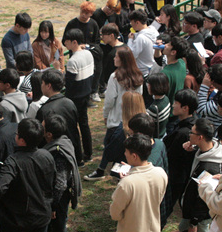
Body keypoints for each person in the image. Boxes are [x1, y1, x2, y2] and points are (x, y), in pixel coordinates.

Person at [176, 118, 222, 232]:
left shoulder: (209, 168)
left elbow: (203, 200)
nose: (189, 135)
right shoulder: (209, 148)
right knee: (184, 228)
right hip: (190, 207)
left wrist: (195, 222)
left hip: (201, 214)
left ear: (201, 137)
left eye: (192, 133)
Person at [85, 47, 143, 181]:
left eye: (116, 56)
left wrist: (105, 115)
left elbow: (109, 100)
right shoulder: (138, 76)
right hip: (132, 118)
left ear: (122, 60)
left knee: (109, 146)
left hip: (116, 119)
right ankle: (115, 172)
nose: (114, 58)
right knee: (125, 148)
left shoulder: (115, 77)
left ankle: (103, 170)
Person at [43, 115, 82, 232]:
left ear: (49, 134)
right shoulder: (65, 140)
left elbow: (59, 184)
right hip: (62, 192)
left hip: (59, 196)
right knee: (58, 225)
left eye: (43, 126)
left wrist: (52, 206)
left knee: (59, 225)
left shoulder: (57, 152)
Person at [36, 69, 83, 164]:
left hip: (54, 153)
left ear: (48, 86)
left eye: (42, 83)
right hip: (70, 148)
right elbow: (75, 130)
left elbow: (40, 136)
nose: (41, 86)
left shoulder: (45, 110)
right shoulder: (69, 103)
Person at [64, 28, 95, 162]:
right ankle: (88, 152)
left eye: (67, 41)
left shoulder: (72, 61)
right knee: (84, 124)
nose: (65, 43)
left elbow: (68, 84)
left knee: (73, 128)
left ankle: (78, 156)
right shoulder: (88, 54)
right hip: (86, 94)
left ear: (74, 42)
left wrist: (60, 71)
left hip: (74, 98)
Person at [163, 89, 198, 205]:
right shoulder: (191, 124)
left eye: (176, 103)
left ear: (185, 108)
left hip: (175, 177)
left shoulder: (184, 133)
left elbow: (172, 155)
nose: (173, 105)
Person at [64, 1, 103, 102]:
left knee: (92, 73)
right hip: (76, 54)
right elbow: (65, 40)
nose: (84, 15)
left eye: (87, 13)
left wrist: (87, 47)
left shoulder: (93, 24)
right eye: (83, 12)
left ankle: (93, 91)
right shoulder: (72, 23)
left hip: (89, 54)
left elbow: (97, 41)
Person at [128, 9, 159, 76]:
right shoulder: (153, 30)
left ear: (137, 22)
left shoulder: (141, 38)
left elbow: (131, 55)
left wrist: (130, 40)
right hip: (152, 68)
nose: (131, 24)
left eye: (131, 22)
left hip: (142, 72)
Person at [99, 23, 128, 94]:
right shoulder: (125, 47)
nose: (102, 37)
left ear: (111, 35)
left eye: (103, 35)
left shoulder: (115, 52)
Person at [146, 73, 171, 139]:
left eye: (149, 85)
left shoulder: (154, 109)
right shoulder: (166, 99)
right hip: (163, 133)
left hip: (156, 137)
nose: (147, 86)